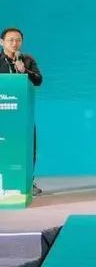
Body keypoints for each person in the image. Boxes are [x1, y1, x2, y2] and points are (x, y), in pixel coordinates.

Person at [1, 28, 43, 195]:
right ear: (2, 42)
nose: (14, 43)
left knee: (27, 146)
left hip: (23, 113)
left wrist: (24, 71)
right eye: (10, 40)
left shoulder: (27, 60)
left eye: (18, 40)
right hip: (2, 111)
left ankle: (27, 182)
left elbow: (38, 80)